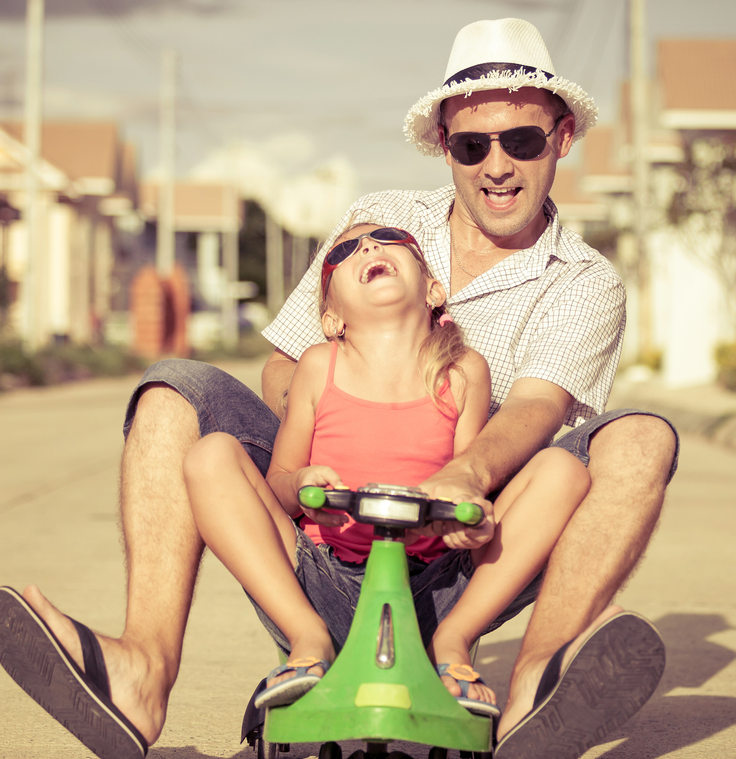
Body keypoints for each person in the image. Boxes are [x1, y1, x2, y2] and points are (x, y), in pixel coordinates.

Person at [0, 17, 678, 759]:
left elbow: (536, 411)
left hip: (465, 557)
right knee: (174, 394)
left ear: (563, 137)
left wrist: (462, 476)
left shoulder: (582, 283)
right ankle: (140, 673)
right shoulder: (384, 224)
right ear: (445, 144)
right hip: (328, 535)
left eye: (522, 140)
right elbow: (284, 368)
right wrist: (323, 452)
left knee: (639, 438)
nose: (497, 166)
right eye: (471, 145)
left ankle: (531, 693)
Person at [181, 221, 590, 718]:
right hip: (325, 580)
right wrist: (300, 483)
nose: (370, 246)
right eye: (347, 250)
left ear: (433, 290)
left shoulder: (464, 372)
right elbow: (278, 487)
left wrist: (468, 518)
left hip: (433, 588)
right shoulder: (317, 366)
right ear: (332, 318)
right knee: (211, 454)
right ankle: (306, 640)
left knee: (562, 470)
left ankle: (454, 642)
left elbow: (469, 478)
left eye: (391, 239)